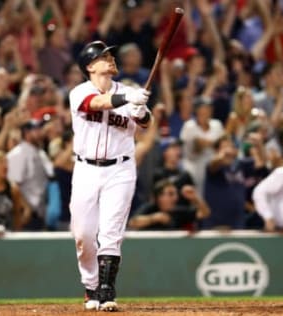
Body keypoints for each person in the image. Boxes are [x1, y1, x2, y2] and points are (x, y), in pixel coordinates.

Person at [68, 40, 152, 312]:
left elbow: (144, 121)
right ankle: (90, 284)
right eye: (104, 56)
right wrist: (129, 99)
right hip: (85, 169)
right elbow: (97, 103)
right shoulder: (79, 92)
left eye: (111, 55)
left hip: (120, 168)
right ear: (90, 66)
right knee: (83, 235)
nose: (111, 58)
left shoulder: (127, 92)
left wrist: (141, 112)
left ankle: (106, 291)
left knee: (111, 232)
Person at [128, 179, 210, 231]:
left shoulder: (179, 212)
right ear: (158, 197)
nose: (175, 198)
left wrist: (195, 198)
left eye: (175, 194)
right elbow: (132, 223)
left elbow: (204, 213)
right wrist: (154, 218)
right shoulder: (149, 208)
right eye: (170, 194)